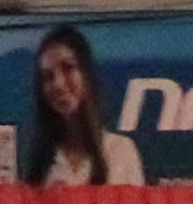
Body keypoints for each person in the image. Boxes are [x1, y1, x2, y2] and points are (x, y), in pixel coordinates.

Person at [11, 22, 144, 188]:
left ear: (86, 73)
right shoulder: (37, 161)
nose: (58, 84)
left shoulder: (120, 151)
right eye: (47, 76)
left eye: (68, 68)